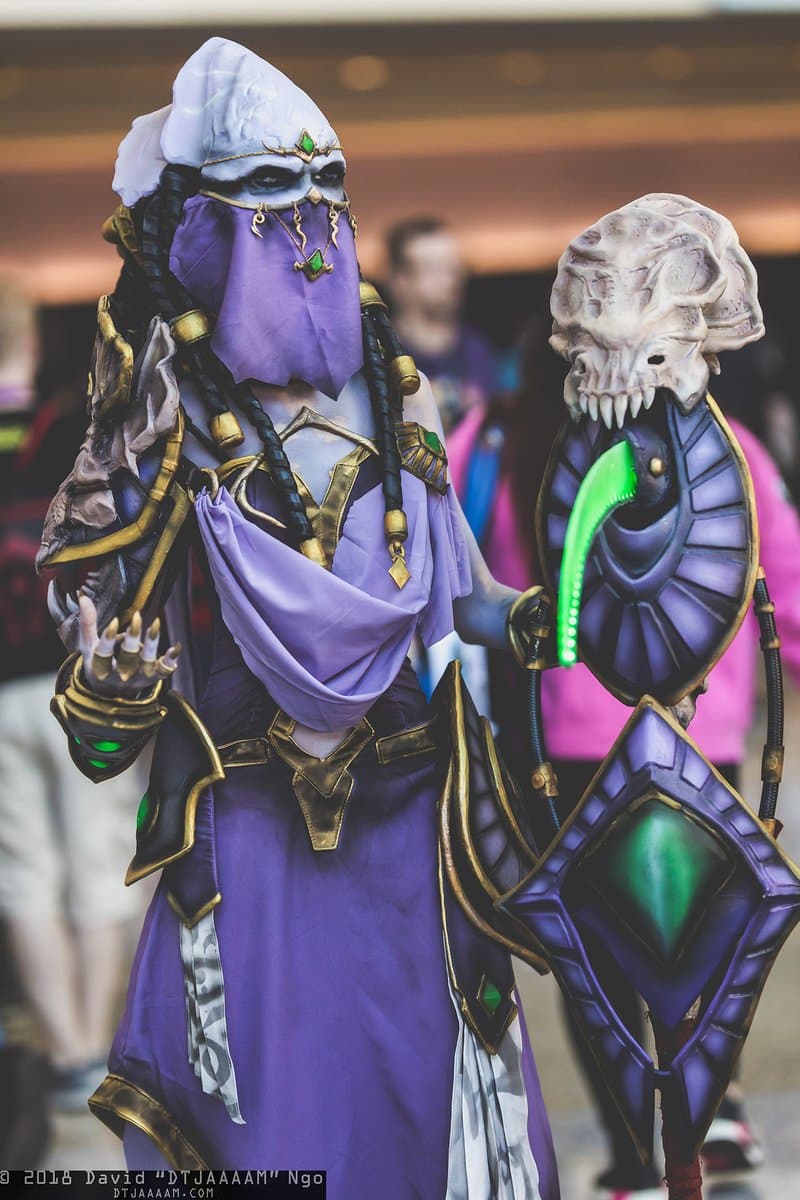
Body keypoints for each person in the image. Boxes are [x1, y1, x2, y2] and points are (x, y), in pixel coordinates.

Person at [39, 39, 559, 1198]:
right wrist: (109, 688)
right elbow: (94, 605)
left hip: (412, 819)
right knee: (273, 1118)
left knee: (423, 1103)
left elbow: (462, 598)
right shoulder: (165, 400)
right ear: (203, 225)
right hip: (248, 820)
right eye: (273, 193)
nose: (311, 226)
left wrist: (554, 619)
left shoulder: (398, 392)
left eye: (329, 188)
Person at [448, 313, 800, 1200]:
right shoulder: (718, 439)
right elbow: (785, 579)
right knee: (704, 926)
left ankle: (638, 1151)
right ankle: (710, 1114)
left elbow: (442, 567)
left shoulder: (495, 439)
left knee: (595, 951)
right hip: (695, 735)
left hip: (560, 743)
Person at [0, 277, 144, 1119]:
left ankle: (64, 1052)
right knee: (99, 860)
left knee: (23, 871)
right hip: (77, 675)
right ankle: (96, 1052)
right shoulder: (71, 429)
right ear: (30, 338)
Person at [384, 217, 496, 433]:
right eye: (435, 269)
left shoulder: (477, 349)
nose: (452, 279)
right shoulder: (377, 354)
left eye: (454, 268)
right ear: (399, 281)